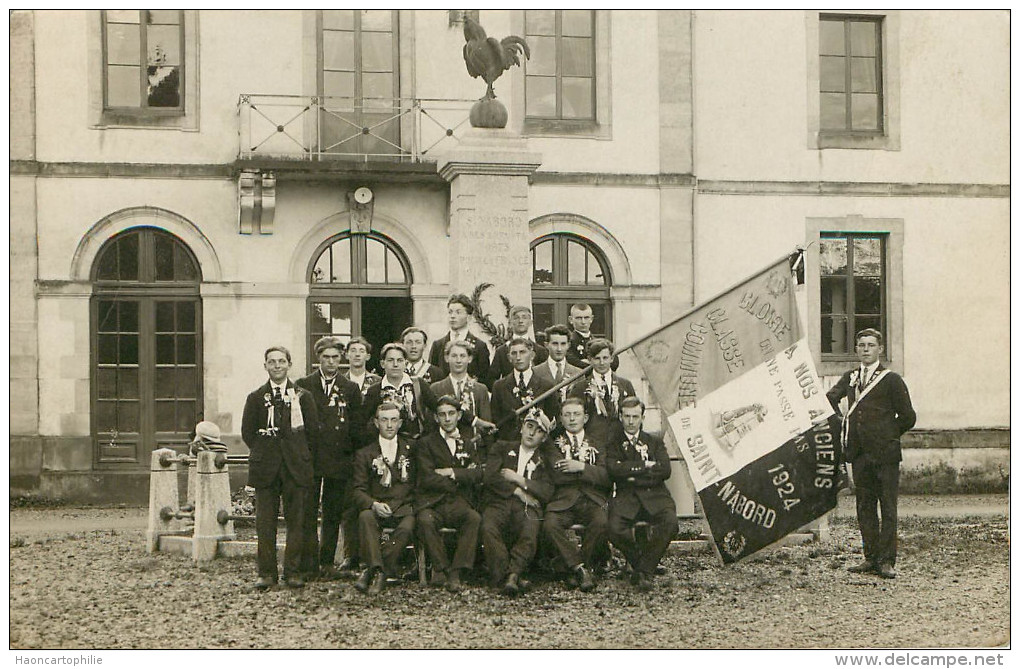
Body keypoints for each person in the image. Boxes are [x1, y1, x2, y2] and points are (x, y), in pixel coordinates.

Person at [826, 328, 916, 580]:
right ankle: (870, 557)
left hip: (885, 455)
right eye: (861, 345)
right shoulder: (851, 377)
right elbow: (829, 398)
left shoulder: (891, 380)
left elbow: (908, 416)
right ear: (856, 349)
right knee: (864, 506)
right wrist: (841, 422)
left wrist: (887, 434)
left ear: (880, 349)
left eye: (871, 345)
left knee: (888, 507)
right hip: (860, 454)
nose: (866, 349)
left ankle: (886, 561)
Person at [240, 346, 319, 591]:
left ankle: (293, 571)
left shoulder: (303, 396)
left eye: (281, 361)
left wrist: (297, 454)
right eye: (272, 362)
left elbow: (313, 433)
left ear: (289, 365)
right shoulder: (256, 397)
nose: (277, 366)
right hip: (266, 468)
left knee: (297, 521)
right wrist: (267, 451)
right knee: (265, 522)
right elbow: (248, 433)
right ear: (265, 366)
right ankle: (266, 573)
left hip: (296, 467)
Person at [295, 336, 364, 580]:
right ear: (318, 358)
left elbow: (356, 426)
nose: (331, 362)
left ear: (341, 359)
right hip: (311, 458)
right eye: (326, 357)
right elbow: (298, 424)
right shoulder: (303, 386)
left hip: (338, 458)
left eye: (336, 357)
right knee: (308, 509)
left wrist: (351, 455)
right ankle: (308, 563)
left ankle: (327, 562)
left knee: (333, 512)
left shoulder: (350, 388)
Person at [480, 408, 555, 597]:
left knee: (530, 529)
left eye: (538, 431)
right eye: (529, 426)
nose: (531, 433)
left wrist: (521, 480)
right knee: (489, 527)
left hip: (529, 506)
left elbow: (546, 490)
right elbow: (490, 477)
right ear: (521, 428)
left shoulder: (545, 460)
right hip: (499, 501)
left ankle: (513, 575)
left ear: (544, 438)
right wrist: (517, 492)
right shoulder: (502, 447)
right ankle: (510, 575)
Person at [414, 395, 485, 592]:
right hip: (432, 502)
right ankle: (440, 568)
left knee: (473, 518)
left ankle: (456, 571)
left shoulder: (468, 443)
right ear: (436, 418)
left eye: (451, 414)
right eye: (442, 415)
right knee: (426, 521)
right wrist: (460, 480)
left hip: (458, 502)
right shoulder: (425, 443)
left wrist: (452, 472)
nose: (447, 419)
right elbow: (427, 477)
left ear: (459, 415)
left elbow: (478, 473)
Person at [606, 397, 677, 591]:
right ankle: (644, 563)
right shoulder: (613, 443)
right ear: (620, 417)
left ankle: (644, 570)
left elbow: (665, 471)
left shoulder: (653, 441)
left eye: (635, 417)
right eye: (627, 416)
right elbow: (613, 469)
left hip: (655, 496)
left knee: (670, 522)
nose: (630, 421)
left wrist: (629, 472)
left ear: (642, 417)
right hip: (627, 498)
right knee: (612, 528)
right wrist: (644, 466)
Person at [542, 397, 611, 593]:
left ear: (586, 418)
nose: (572, 419)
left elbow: (606, 476)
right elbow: (556, 475)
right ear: (561, 419)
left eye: (577, 414)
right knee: (549, 524)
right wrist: (590, 473)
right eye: (567, 415)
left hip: (592, 499)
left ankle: (577, 567)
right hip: (563, 500)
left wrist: (579, 467)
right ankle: (581, 569)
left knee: (601, 522)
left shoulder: (597, 443)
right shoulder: (552, 444)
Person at [351, 403, 417, 595]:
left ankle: (372, 570)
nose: (389, 425)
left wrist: (399, 504)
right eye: (384, 420)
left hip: (404, 507)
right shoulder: (365, 453)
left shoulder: (412, 449)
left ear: (400, 423)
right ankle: (380, 571)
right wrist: (374, 504)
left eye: (394, 420)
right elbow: (358, 490)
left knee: (407, 527)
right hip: (378, 506)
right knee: (365, 517)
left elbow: (416, 484)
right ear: (376, 422)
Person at [364, 342, 440, 441]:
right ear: (383, 364)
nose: (395, 364)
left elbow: (438, 408)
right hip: (386, 444)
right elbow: (364, 421)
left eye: (399, 360)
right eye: (390, 360)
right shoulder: (375, 390)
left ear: (405, 363)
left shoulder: (418, 384)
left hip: (416, 444)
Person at [489, 337, 558, 442]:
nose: (518, 357)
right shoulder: (499, 386)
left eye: (522, 352)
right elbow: (495, 419)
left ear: (532, 355)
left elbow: (553, 420)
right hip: (508, 445)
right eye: (514, 353)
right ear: (509, 357)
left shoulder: (546, 386)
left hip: (537, 445)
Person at [569, 338, 636, 442]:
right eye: (597, 358)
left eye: (605, 358)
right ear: (589, 359)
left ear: (612, 358)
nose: (602, 362)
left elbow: (635, 414)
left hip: (620, 444)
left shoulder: (625, 385)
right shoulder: (580, 388)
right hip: (592, 443)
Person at [430, 339, 495, 433]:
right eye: (454, 356)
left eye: (462, 356)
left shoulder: (480, 389)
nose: (458, 360)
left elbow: (486, 424)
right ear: (446, 358)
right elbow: (432, 424)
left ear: (470, 359)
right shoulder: (436, 388)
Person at [428, 294, 491, 382]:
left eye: (458, 312)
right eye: (450, 312)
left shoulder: (479, 346)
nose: (452, 316)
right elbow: (432, 375)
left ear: (469, 318)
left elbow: (485, 379)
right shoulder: (438, 345)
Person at [485, 306, 548, 389]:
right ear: (510, 323)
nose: (520, 321)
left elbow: (545, 377)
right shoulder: (502, 351)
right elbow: (491, 380)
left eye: (524, 318)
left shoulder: (540, 350)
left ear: (530, 322)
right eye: (516, 318)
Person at [533, 324, 584, 401]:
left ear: (568, 345)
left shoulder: (578, 374)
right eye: (555, 344)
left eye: (563, 344)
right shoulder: (535, 372)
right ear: (546, 345)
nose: (559, 349)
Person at [565, 303, 618, 371]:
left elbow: (614, 363)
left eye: (586, 318)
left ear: (591, 319)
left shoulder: (600, 342)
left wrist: (587, 362)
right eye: (579, 318)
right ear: (571, 320)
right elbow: (570, 363)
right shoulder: (567, 342)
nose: (583, 322)